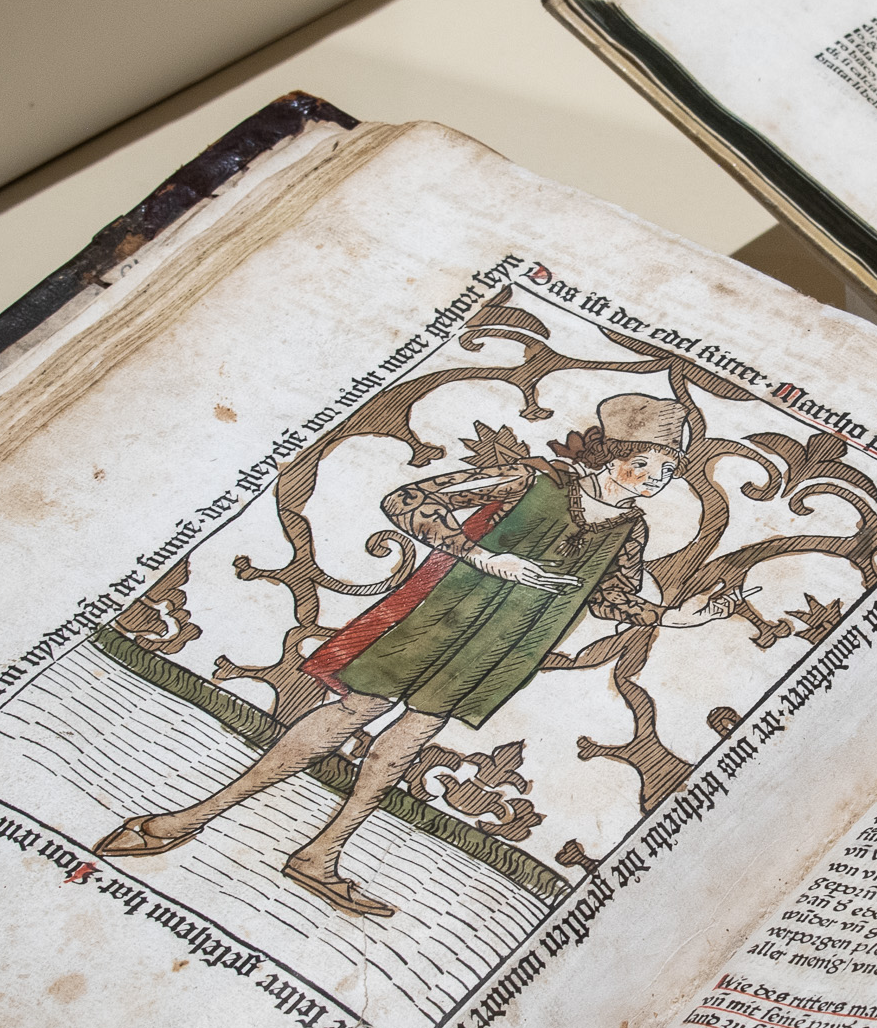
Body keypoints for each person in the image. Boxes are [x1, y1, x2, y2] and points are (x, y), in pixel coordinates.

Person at [97, 391, 746, 916]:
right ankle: (186, 818)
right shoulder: (533, 479)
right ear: (615, 454)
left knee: (408, 740)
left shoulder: (630, 526)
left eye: (667, 471)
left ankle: (321, 853)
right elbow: (408, 501)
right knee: (352, 713)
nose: (656, 480)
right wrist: (485, 556)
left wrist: (674, 617)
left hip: (503, 646)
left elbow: (610, 600)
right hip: (441, 617)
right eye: (648, 464)